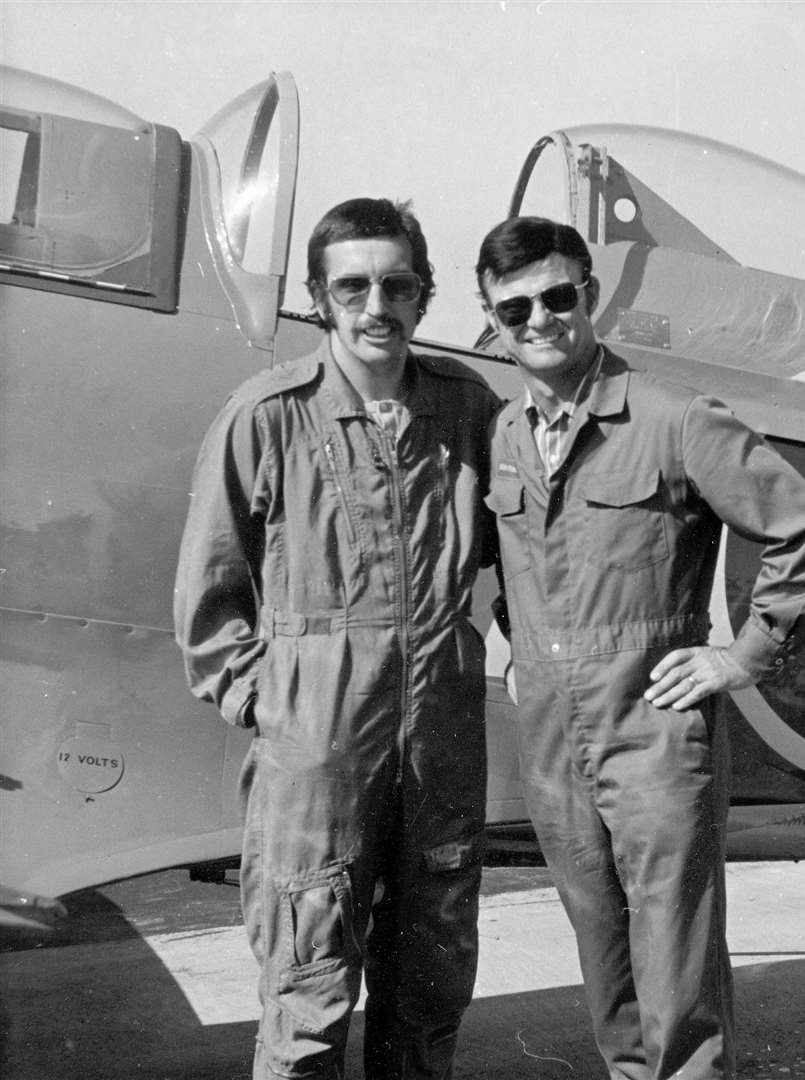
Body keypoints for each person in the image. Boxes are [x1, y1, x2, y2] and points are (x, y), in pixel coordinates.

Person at [477, 216, 805, 1078]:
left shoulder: (675, 418)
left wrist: (743, 656)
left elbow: (804, 528)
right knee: (603, 959)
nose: (539, 320)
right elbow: (509, 565)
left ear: (590, 298)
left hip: (652, 728)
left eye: (558, 297)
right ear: (492, 319)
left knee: (676, 969)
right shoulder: (505, 436)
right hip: (552, 738)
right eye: (514, 307)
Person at [173, 198, 501, 1079]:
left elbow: (533, 561)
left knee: (428, 1000)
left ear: (425, 295)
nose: (375, 306)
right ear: (318, 297)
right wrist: (273, 707)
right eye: (351, 286)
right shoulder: (267, 415)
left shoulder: (469, 410)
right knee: (308, 997)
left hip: (440, 746)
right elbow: (209, 602)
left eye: (397, 285)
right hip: (315, 755)